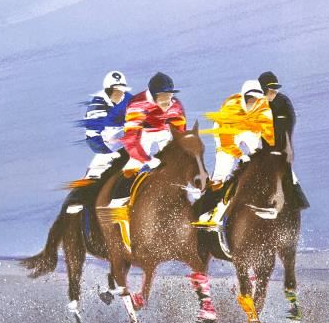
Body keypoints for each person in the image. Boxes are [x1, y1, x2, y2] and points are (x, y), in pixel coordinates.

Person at [192, 79, 274, 228]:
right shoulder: (230, 109)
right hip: (226, 130)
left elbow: (270, 137)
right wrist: (241, 155)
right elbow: (226, 143)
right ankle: (205, 211)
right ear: (243, 98)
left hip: (248, 129)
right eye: (250, 100)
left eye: (256, 101)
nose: (253, 104)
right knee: (222, 171)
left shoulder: (264, 110)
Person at [106, 72, 187, 209]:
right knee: (134, 165)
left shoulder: (176, 105)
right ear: (153, 95)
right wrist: (147, 160)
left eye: (169, 95)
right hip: (142, 132)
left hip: (164, 131)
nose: (167, 101)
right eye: (162, 97)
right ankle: (116, 204)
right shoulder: (137, 104)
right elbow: (131, 140)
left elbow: (181, 134)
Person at [258, 70, 310, 209]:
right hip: (265, 145)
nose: (273, 92)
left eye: (274, 89)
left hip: (280, 145)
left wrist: (287, 145)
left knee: (288, 174)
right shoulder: (260, 104)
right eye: (270, 90)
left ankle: (299, 201)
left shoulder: (283, 102)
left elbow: (289, 123)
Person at [83, 70, 133, 179]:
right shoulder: (97, 105)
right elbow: (92, 136)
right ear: (107, 90)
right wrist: (106, 152)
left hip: (128, 137)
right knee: (94, 175)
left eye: (121, 90)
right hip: (107, 143)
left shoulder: (129, 99)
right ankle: (91, 180)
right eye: (114, 91)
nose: (118, 94)